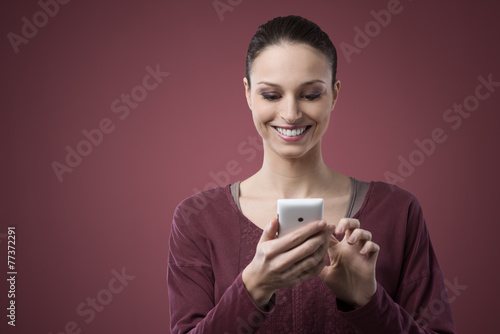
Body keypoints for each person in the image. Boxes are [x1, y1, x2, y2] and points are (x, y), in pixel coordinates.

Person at [167, 15, 456, 333]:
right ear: (248, 93)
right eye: (271, 95)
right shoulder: (198, 219)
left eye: (310, 94)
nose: (290, 114)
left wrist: (368, 301)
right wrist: (253, 288)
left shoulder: (398, 211)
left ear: (334, 93)